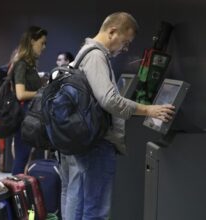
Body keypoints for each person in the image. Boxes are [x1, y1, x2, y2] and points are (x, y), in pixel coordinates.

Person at [60, 12, 175, 220]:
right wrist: (148, 110)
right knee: (95, 210)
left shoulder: (85, 53)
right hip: (96, 144)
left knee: (79, 202)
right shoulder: (95, 56)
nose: (125, 48)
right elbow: (109, 100)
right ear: (112, 32)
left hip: (83, 142)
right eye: (125, 41)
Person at [9, 26, 47, 175]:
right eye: (42, 43)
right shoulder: (22, 63)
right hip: (24, 118)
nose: (44, 47)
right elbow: (20, 94)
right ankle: (12, 196)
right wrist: (41, 93)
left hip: (30, 117)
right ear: (32, 41)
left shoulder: (30, 64)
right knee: (21, 159)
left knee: (25, 158)